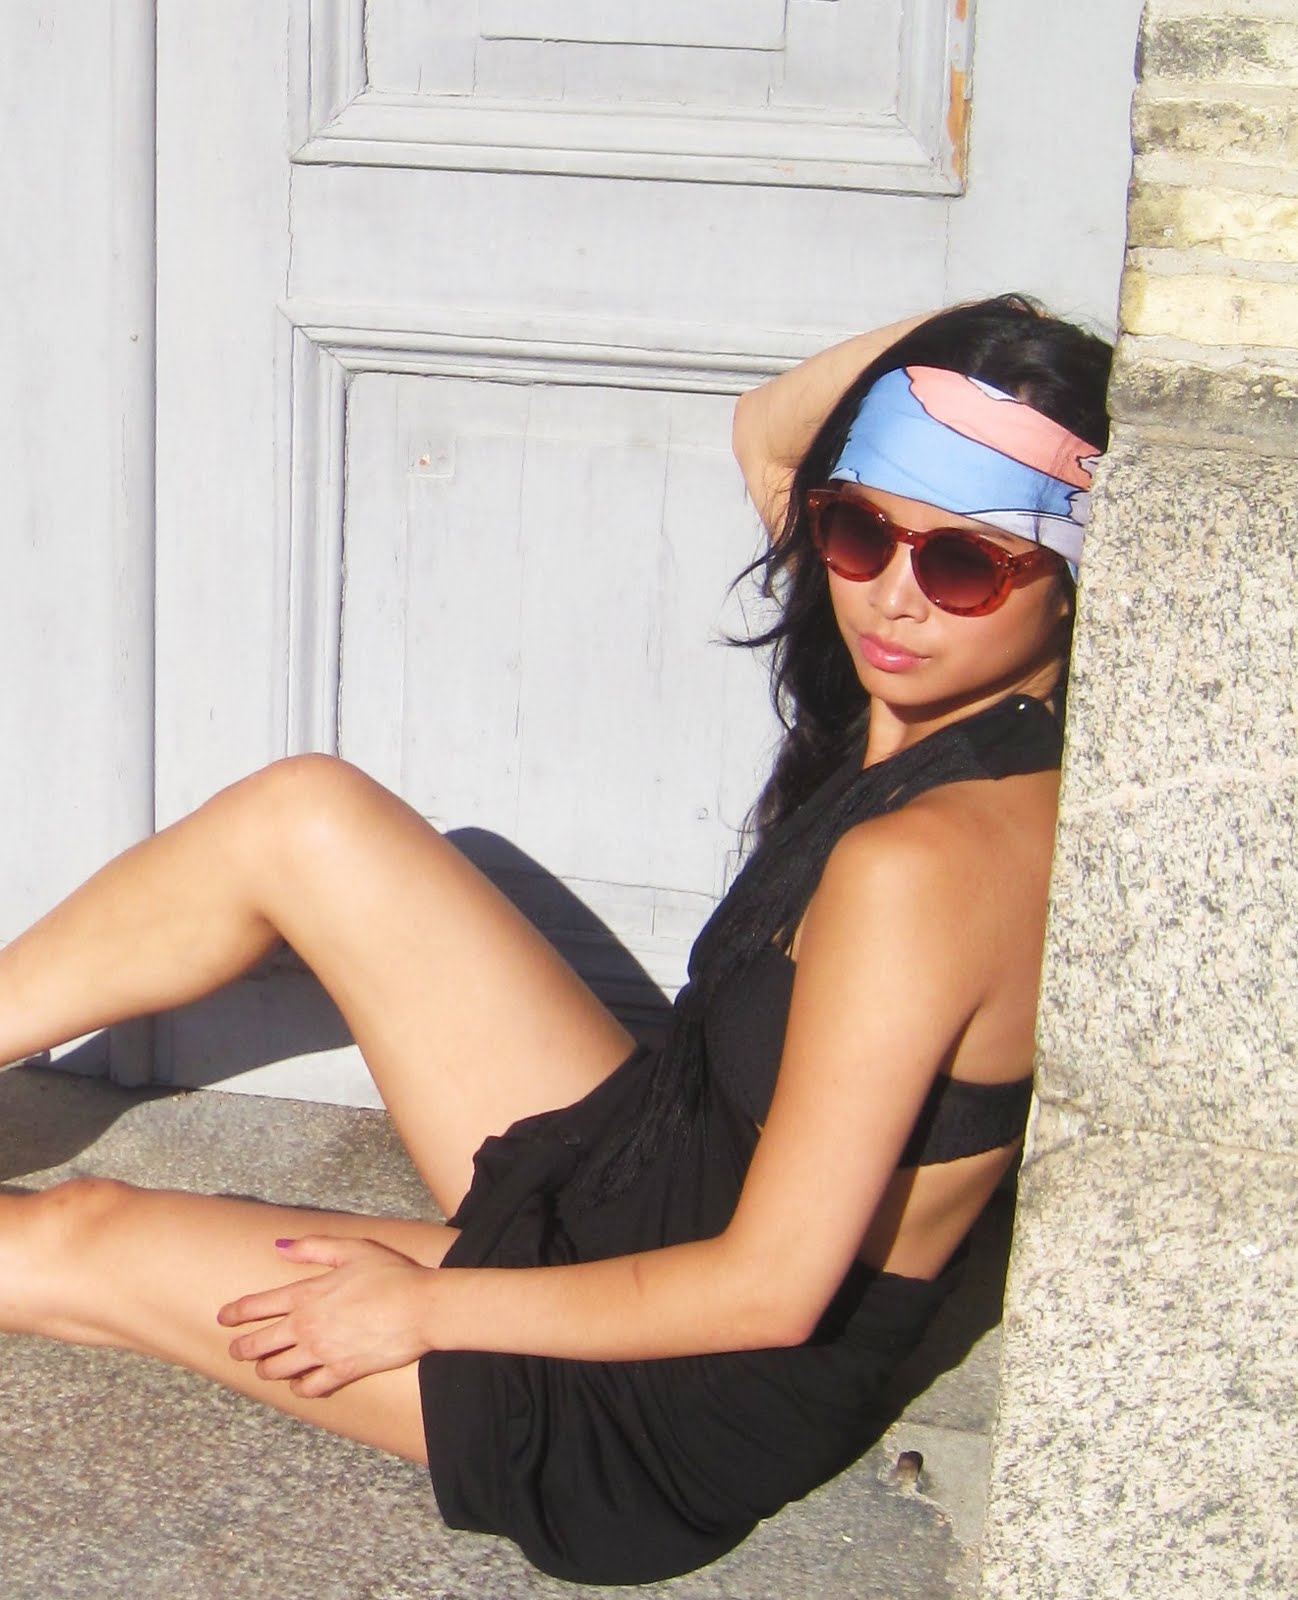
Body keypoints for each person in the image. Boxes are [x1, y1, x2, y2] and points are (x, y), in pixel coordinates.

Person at [0, 294, 1111, 1585]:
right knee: (305, 816)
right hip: (635, 1169)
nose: (892, 599)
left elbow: (767, 1290)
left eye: (965, 563)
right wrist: (998, 354)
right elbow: (770, 426)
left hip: (659, 1393)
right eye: (857, 529)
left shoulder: (926, 866)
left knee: (73, 1237)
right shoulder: (926, 690)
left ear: (1073, 577)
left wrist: (422, 1307)